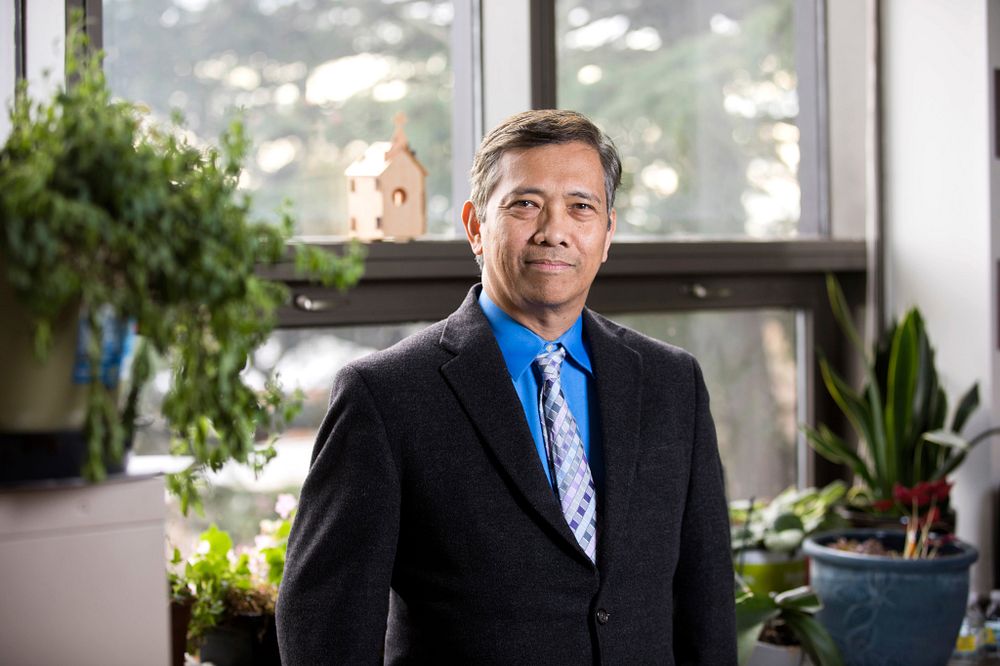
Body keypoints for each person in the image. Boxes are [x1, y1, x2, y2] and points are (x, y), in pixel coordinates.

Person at [276, 109, 736, 665]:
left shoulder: (672, 384)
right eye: (525, 204)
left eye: (580, 207)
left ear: (607, 232)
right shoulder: (386, 397)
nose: (554, 231)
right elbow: (325, 630)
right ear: (475, 225)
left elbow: (707, 606)